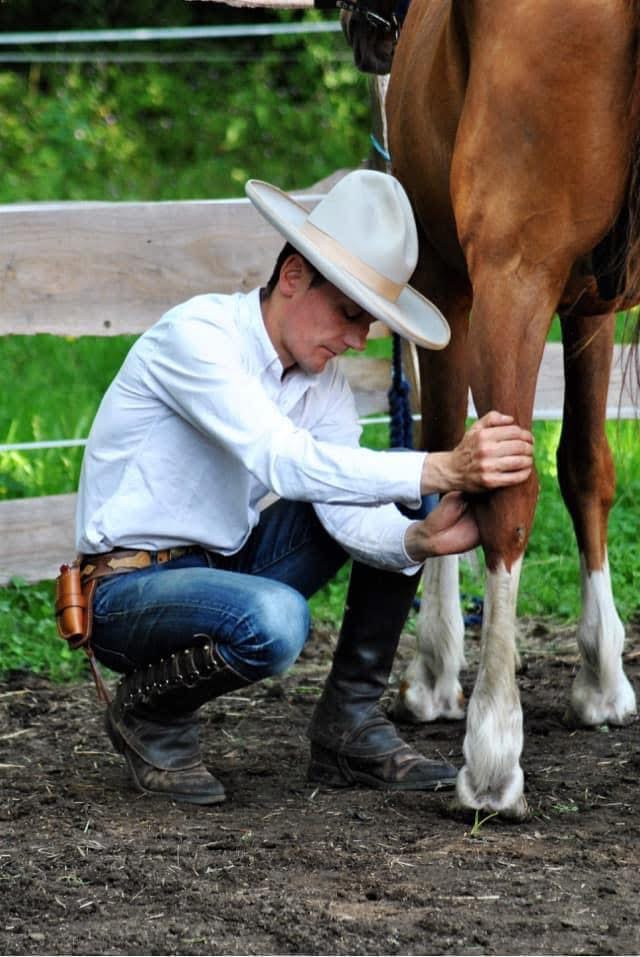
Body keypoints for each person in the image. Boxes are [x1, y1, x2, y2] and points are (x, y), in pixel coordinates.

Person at [75, 170, 533, 806]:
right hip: (125, 590)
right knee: (276, 618)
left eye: (369, 323)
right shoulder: (197, 337)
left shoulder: (322, 385)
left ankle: (348, 721)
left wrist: (417, 540)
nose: (357, 339)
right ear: (293, 276)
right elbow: (284, 463)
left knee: (400, 493)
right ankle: (148, 712)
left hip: (222, 565)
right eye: (349, 313)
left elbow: (345, 509)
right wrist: (443, 468)